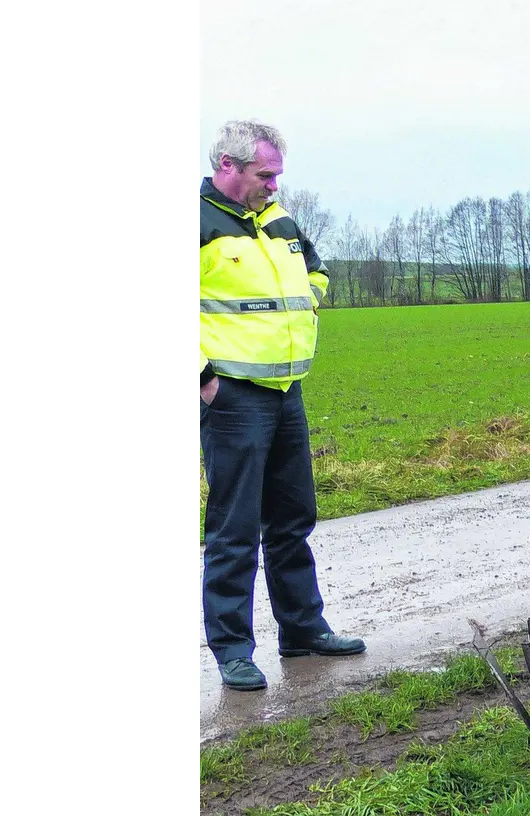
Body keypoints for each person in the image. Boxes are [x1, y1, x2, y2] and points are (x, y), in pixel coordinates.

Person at [201, 120, 365, 691]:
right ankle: (232, 650)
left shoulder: (280, 220)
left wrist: (309, 305)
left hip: (286, 391)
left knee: (293, 519)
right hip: (232, 396)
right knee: (234, 529)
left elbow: (315, 272)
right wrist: (201, 377)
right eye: (263, 174)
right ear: (228, 165)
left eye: (277, 175)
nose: (273, 185)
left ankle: (302, 631)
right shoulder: (196, 223)